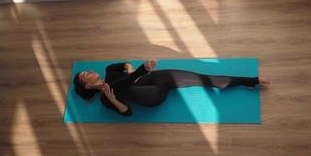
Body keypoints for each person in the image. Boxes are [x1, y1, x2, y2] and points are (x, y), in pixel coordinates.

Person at [73, 59, 270, 116]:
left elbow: (124, 64)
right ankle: (140, 73)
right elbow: (127, 112)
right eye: (85, 75)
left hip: (155, 78)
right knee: (117, 89)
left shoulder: (109, 70)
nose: (89, 70)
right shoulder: (105, 99)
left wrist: (130, 70)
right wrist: (113, 98)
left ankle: (249, 81)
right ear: (88, 85)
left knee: (203, 79)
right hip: (150, 96)